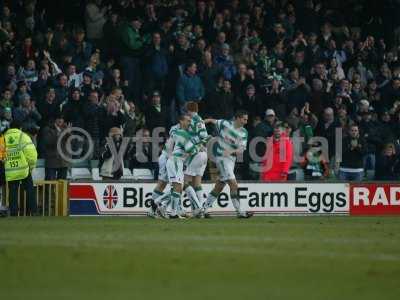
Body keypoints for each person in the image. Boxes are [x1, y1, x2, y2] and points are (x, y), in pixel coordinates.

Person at [203, 110, 253, 218]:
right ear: (238, 118)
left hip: (231, 160)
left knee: (219, 186)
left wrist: (230, 151)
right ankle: (240, 212)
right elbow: (212, 121)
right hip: (221, 158)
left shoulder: (244, 132)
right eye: (244, 119)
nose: (246, 121)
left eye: (246, 119)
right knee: (233, 184)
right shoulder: (225, 124)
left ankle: (203, 209)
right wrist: (201, 123)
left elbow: (241, 150)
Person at [160, 114, 199, 219]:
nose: (189, 123)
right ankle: (172, 212)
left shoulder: (181, 133)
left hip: (176, 161)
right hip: (176, 161)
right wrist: (197, 147)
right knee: (177, 187)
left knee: (177, 188)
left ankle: (162, 206)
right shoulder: (182, 133)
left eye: (190, 121)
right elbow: (192, 150)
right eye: (187, 121)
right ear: (181, 121)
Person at [4, 120, 38, 216]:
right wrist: (31, 167)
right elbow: (31, 155)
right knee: (30, 190)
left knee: (12, 192)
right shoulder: (23, 136)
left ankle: (14, 213)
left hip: (10, 171)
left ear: (10, 127)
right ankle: (33, 211)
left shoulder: (3, 138)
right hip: (24, 170)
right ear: (20, 128)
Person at [183, 102, 209, 217]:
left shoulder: (194, 120)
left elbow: (203, 136)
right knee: (197, 182)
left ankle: (199, 208)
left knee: (184, 182)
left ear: (189, 110)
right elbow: (205, 136)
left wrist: (195, 144)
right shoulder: (200, 119)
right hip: (204, 154)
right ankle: (202, 210)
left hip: (197, 154)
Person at [41, 115, 70, 180]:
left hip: (63, 162)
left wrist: (68, 133)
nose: (60, 120)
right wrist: (58, 135)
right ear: (54, 120)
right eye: (58, 118)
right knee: (50, 185)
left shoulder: (66, 129)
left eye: (62, 118)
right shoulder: (47, 129)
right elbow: (48, 142)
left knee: (62, 186)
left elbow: (71, 141)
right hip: (51, 161)